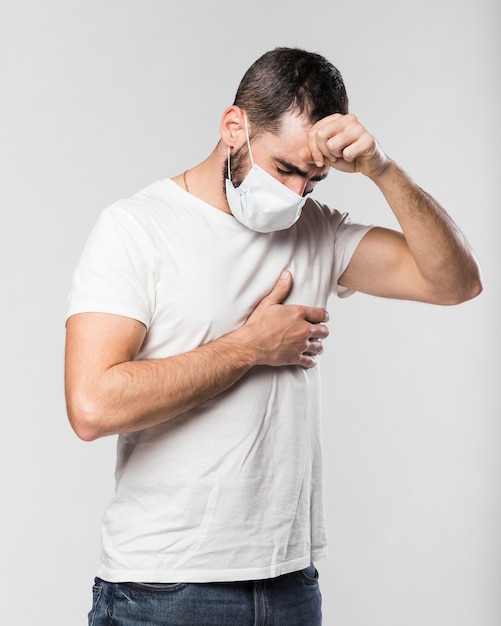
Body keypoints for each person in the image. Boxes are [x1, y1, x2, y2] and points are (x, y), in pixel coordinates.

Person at [65, 47, 482, 625]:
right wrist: (249, 347)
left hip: (288, 584)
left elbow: (456, 282)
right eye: (284, 169)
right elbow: (92, 405)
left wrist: (383, 169)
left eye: (312, 180)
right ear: (234, 126)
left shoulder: (318, 231)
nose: (293, 194)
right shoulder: (136, 228)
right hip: (165, 587)